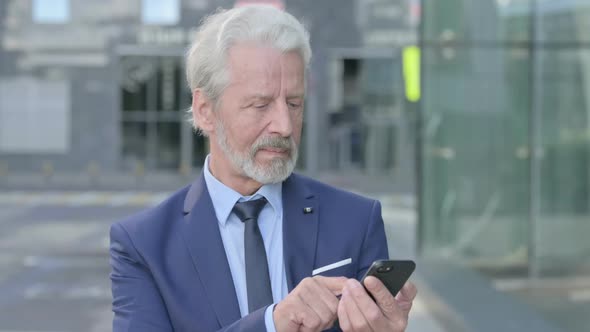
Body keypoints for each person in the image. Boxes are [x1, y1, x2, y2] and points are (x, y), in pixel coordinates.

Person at [109, 5, 417, 332]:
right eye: (260, 104)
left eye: (294, 103)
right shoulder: (143, 245)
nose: (284, 126)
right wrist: (272, 323)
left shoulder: (356, 221)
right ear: (205, 111)